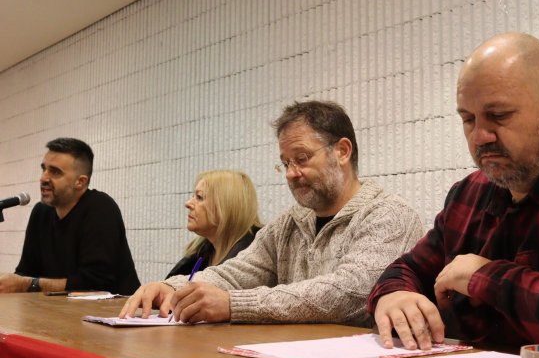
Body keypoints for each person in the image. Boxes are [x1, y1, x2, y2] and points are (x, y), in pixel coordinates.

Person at [368, 32, 539, 356]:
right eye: (468, 119)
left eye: (499, 115)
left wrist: (484, 277)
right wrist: (393, 295)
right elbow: (405, 270)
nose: (479, 136)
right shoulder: (467, 194)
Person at [120, 100, 424, 326]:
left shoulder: (389, 214)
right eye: (286, 163)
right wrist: (172, 287)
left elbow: (350, 294)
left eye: (302, 158)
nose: (291, 173)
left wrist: (234, 305)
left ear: (342, 151)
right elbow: (237, 272)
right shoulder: (289, 223)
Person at [0, 138, 140, 295]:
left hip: (114, 308)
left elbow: (96, 283)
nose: (43, 178)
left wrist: (29, 284)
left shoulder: (100, 208)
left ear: (80, 182)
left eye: (55, 172)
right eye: (44, 169)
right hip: (56, 307)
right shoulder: (41, 212)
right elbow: (26, 272)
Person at [165, 170, 263, 278]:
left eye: (199, 197)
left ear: (226, 206)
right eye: (193, 196)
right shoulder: (199, 254)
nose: (188, 204)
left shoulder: (256, 259)